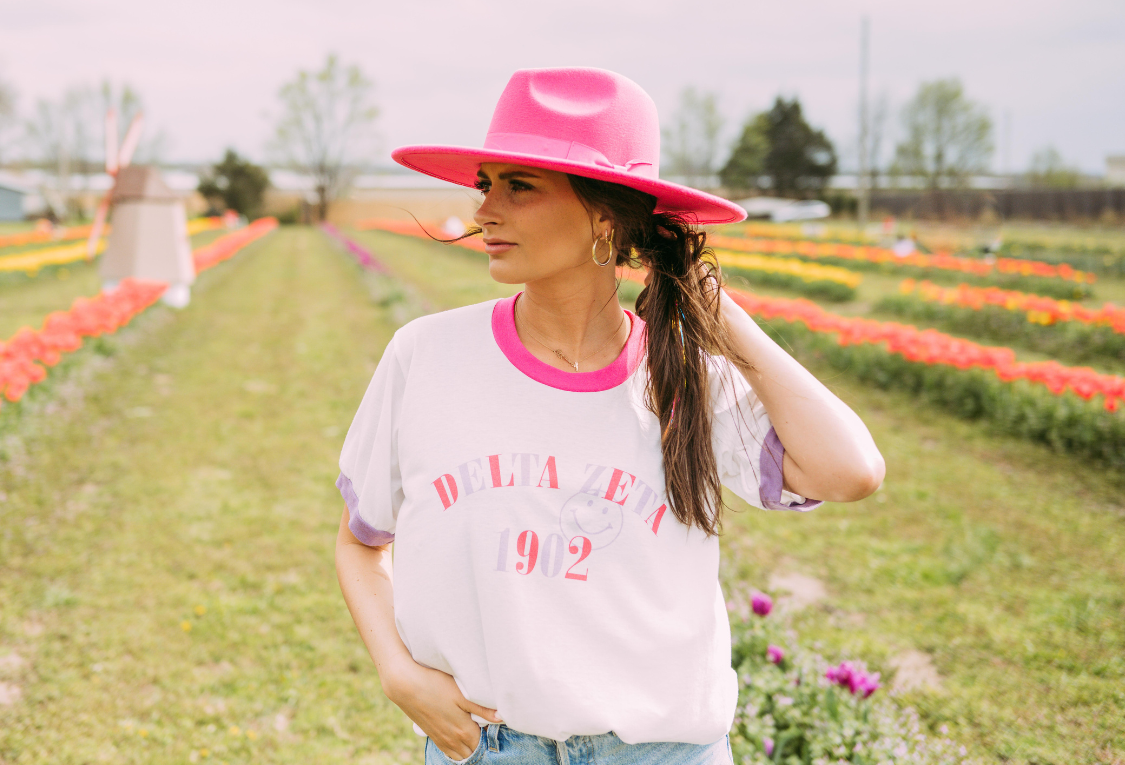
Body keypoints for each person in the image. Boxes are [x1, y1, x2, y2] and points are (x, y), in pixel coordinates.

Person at [334, 67, 885, 765]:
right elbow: (360, 541)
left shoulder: (683, 377)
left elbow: (852, 471)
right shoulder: (426, 357)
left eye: (519, 186)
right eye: (485, 184)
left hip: (664, 751)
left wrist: (720, 318)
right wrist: (398, 673)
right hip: (489, 748)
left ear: (606, 215)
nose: (483, 212)